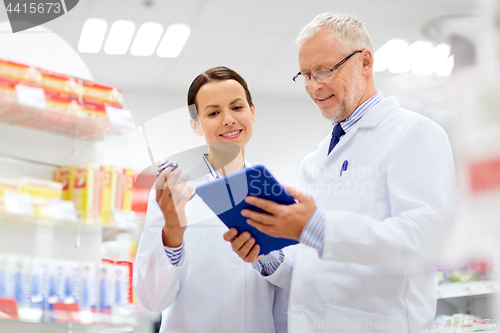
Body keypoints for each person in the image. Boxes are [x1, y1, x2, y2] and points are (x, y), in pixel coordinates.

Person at [224, 13, 456, 332]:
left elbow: (426, 240)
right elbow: (312, 271)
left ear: (365, 62)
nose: (313, 86)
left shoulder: (415, 133)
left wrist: (316, 226)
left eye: (323, 70)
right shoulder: (314, 160)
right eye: (305, 74)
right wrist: (268, 257)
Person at [133, 66, 288, 333]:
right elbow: (151, 300)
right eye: (213, 113)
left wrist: (266, 253)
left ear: (252, 111)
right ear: (195, 124)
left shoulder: (276, 192)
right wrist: (172, 233)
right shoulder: (174, 192)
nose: (228, 119)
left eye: (237, 107)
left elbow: (294, 287)